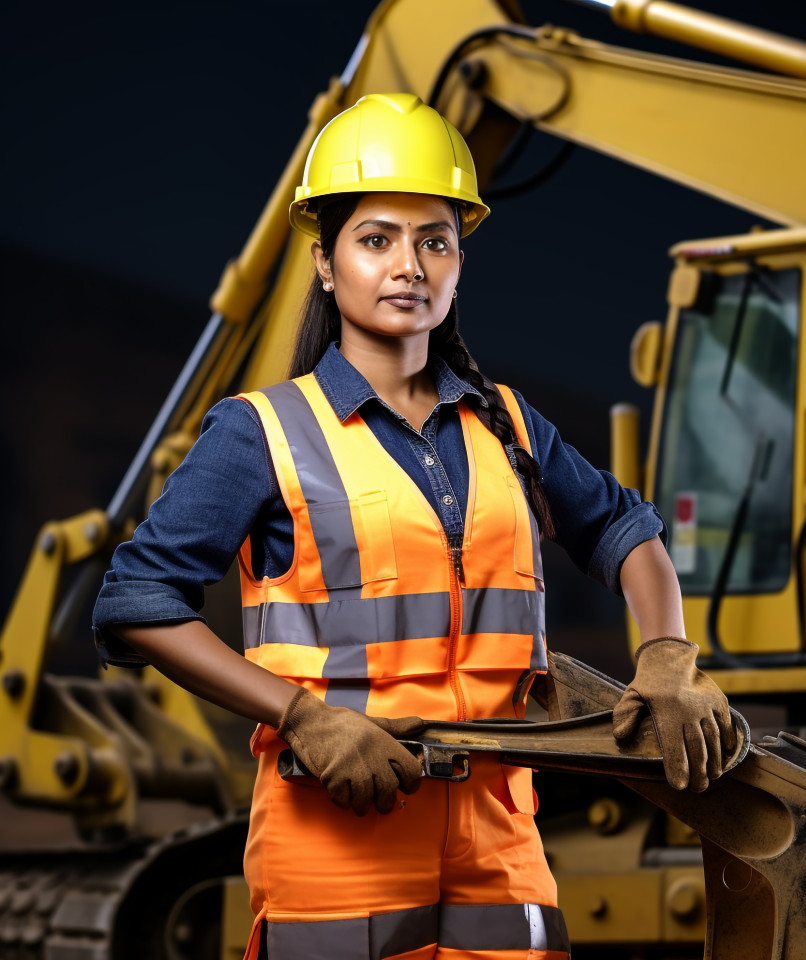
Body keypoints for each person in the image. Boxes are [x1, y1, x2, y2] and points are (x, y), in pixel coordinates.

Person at [93, 92, 736, 960]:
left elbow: (627, 530)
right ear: (326, 265)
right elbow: (136, 599)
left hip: (500, 836)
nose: (410, 266)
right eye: (376, 239)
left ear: (460, 261)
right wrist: (304, 717)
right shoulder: (262, 431)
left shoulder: (507, 423)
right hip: (337, 837)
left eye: (436, 240)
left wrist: (667, 657)